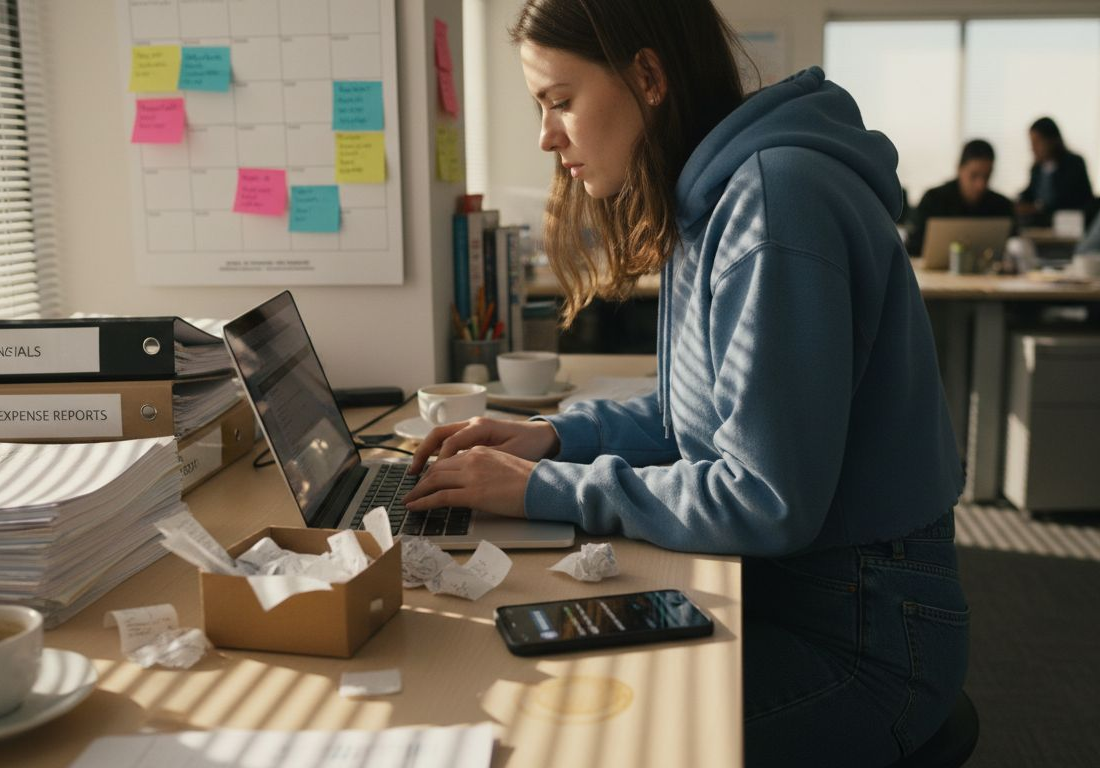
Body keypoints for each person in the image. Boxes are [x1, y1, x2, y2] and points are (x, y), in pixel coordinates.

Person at [403, 1, 968, 764]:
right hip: (792, 598)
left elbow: (762, 499)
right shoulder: (714, 196)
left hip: (861, 642)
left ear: (647, 76)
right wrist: (554, 437)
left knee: (571, 744)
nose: (546, 136)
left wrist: (541, 488)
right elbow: (688, 420)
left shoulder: (774, 201)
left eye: (560, 102)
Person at [906, 138, 1016, 255]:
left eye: (987, 176)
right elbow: (913, 247)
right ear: (959, 169)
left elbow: (1014, 247)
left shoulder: (1002, 205)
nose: (981, 185)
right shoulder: (933, 199)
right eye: (974, 176)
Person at [1017, 116, 1094, 225]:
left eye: (1037, 142)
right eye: (1031, 142)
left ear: (1051, 140)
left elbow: (1069, 199)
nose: (1032, 148)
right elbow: (1030, 193)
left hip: (1069, 225)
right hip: (1041, 225)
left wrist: (1039, 207)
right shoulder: (1036, 169)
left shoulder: (1074, 164)